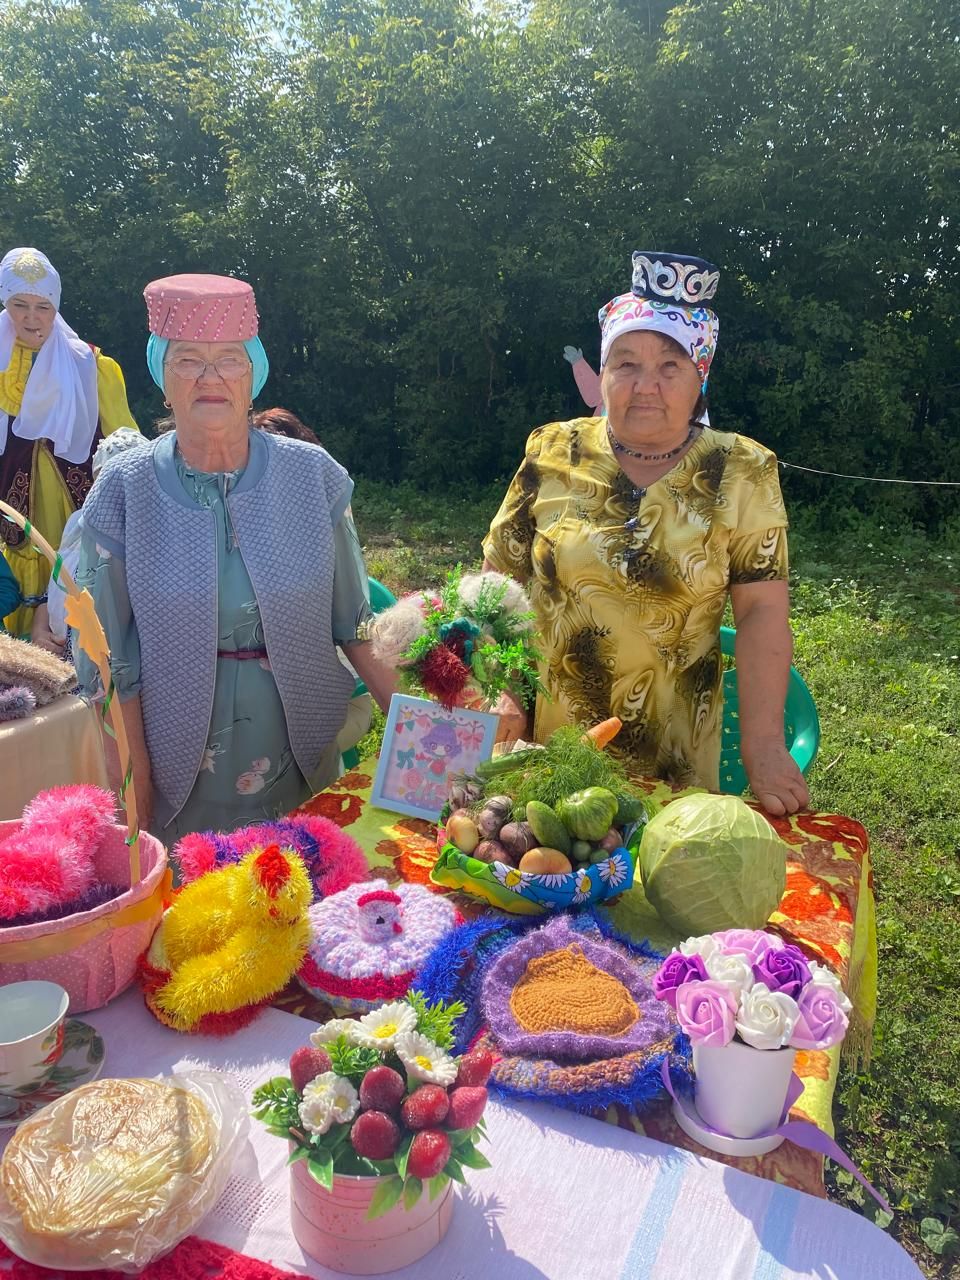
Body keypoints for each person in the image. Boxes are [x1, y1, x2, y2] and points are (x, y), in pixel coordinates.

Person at [483, 251, 808, 816]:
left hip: (676, 761)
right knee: (542, 878)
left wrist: (763, 744)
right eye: (626, 363)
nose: (645, 386)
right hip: (547, 749)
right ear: (602, 373)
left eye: (670, 366)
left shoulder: (742, 469)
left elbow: (760, 612)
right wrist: (500, 689)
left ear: (699, 378)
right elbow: (497, 583)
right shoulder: (552, 450)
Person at [77, 273, 396, 843]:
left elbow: (355, 622)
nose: (210, 377)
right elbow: (107, 664)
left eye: (229, 358)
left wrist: (434, 729)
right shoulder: (125, 491)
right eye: (187, 360)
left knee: (306, 901)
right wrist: (135, 791)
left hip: (303, 757)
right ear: (161, 377)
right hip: (179, 768)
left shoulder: (313, 476)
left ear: (254, 373)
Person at [0, 247, 139, 638]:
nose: (31, 318)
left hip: (80, 510)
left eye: (43, 306)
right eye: (19, 304)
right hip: (16, 512)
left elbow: (126, 444)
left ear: (56, 306)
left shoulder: (91, 365)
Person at [30, 428, 145, 656]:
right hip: (64, 662)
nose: (112, 493)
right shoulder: (77, 523)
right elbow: (54, 587)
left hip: (118, 672)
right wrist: (39, 631)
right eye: (104, 481)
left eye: (124, 482)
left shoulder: (150, 537)